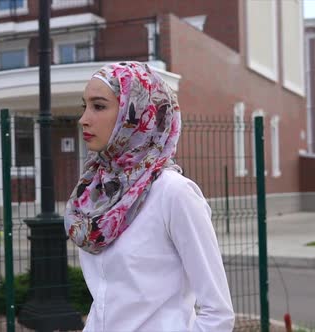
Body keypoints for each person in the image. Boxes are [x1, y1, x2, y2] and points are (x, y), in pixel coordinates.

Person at [64, 62, 235, 331]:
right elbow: (107, 299)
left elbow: (218, 314)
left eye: (98, 106)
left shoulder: (173, 193)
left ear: (136, 115)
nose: (84, 118)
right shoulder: (95, 192)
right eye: (83, 106)